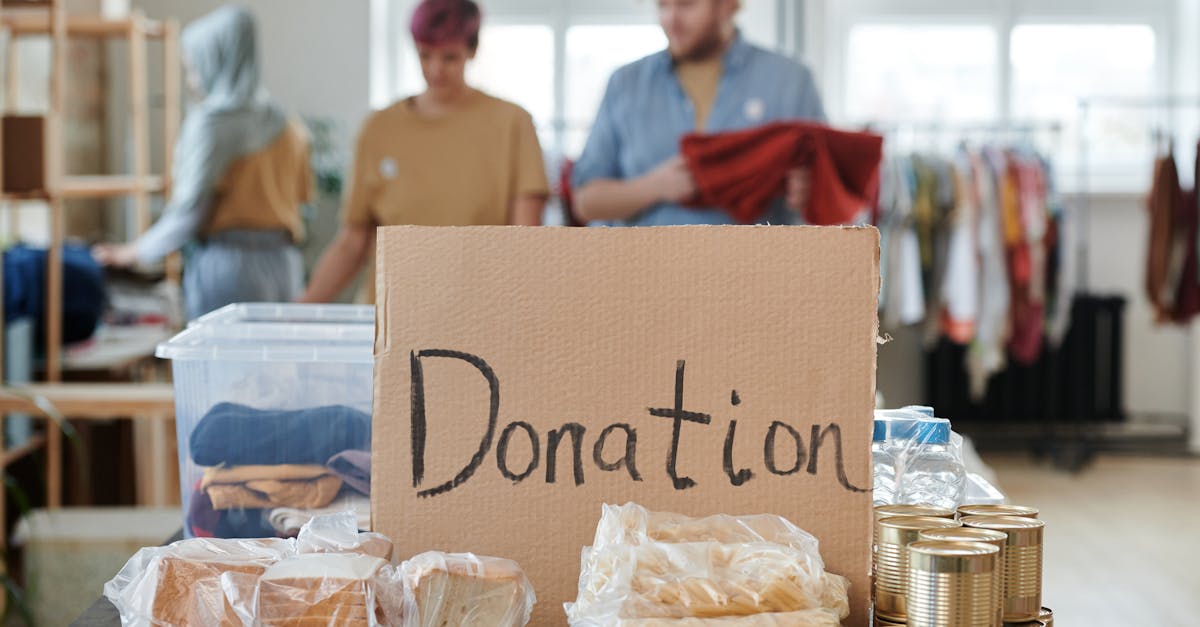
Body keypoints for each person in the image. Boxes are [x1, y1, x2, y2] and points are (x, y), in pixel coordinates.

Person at [300, 0, 549, 303]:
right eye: (424, 55)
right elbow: (352, 242)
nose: (435, 69)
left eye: (449, 57)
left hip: (479, 314)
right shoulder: (378, 129)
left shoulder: (512, 123)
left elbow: (525, 242)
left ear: (472, 50)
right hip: (392, 317)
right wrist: (301, 309)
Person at [93, 6, 312, 320]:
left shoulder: (213, 124)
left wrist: (132, 252)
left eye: (194, 68)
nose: (193, 82)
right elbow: (302, 200)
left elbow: (191, 214)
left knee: (226, 366)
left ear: (217, 60)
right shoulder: (290, 126)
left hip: (229, 271)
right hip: (285, 267)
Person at [572, 0, 826, 226]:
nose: (671, 19)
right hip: (644, 271)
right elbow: (585, 201)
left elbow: (833, 193)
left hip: (757, 269)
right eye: (662, 5)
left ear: (728, 5)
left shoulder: (791, 81)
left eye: (686, 4)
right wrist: (656, 186)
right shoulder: (625, 84)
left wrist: (811, 191)